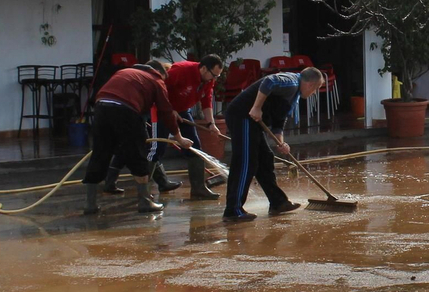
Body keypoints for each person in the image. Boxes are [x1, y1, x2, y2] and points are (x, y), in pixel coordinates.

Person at [105, 55, 224, 201]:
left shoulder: (208, 80)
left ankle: (198, 188)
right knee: (157, 148)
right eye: (213, 75)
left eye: (218, 76)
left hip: (182, 110)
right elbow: (159, 88)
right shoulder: (181, 70)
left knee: (195, 147)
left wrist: (211, 123)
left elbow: (206, 101)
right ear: (204, 68)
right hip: (161, 110)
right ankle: (144, 193)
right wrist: (170, 110)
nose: (214, 79)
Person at [81, 60, 189, 214]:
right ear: (160, 72)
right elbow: (166, 111)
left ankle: (90, 204)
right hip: (126, 110)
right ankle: (145, 202)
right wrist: (179, 137)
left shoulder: (124, 72)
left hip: (101, 107)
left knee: (100, 153)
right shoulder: (156, 80)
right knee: (138, 154)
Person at [222, 66, 324, 222]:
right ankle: (233, 210)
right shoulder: (291, 82)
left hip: (253, 122)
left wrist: (280, 143)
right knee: (246, 161)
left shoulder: (294, 95)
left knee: (265, 160)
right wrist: (256, 108)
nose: (314, 93)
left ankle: (278, 202)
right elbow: (269, 81)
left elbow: (279, 122)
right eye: (316, 89)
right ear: (310, 84)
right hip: (242, 115)